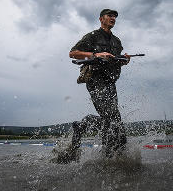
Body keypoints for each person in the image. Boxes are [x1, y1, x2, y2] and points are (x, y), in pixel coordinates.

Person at [55, 9, 130, 163]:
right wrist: (96, 55)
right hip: (95, 80)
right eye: (110, 16)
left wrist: (124, 60)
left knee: (116, 123)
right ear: (101, 19)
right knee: (110, 116)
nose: (113, 18)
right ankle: (108, 158)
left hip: (110, 82)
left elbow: (115, 62)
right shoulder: (93, 36)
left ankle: (82, 126)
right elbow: (73, 53)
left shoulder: (117, 42)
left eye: (114, 16)